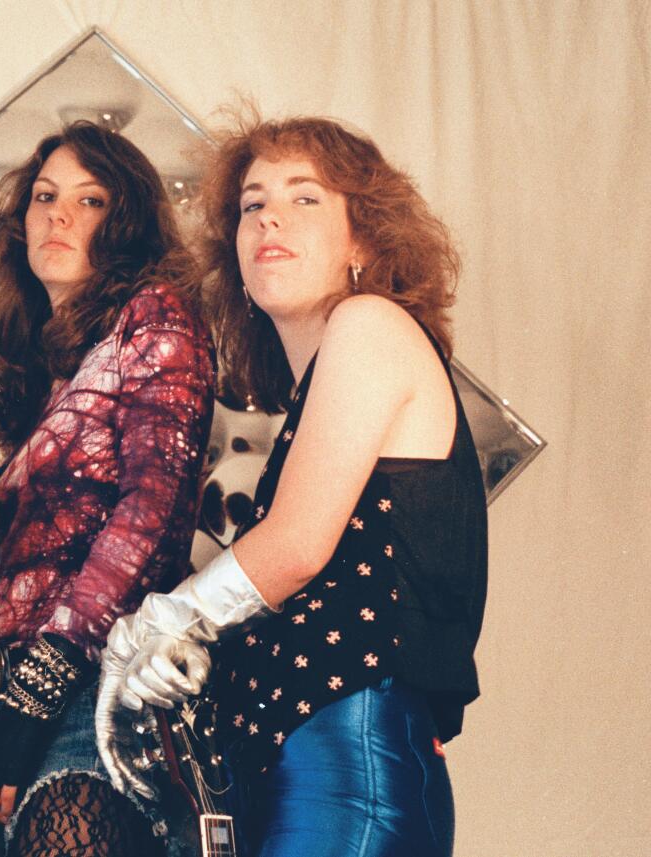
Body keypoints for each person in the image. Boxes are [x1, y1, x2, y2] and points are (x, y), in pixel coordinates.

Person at [96, 113, 488, 857]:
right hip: (305, 772)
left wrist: (155, 626)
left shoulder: (371, 324)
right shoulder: (316, 394)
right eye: (251, 203)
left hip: (348, 768)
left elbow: (298, 546)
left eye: (305, 197)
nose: (270, 214)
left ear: (364, 240)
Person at [0, 121, 216, 856]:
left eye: (90, 200)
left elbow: (150, 519)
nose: (58, 214)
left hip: (84, 691)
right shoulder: (41, 373)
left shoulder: (155, 317)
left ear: (125, 225)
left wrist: (41, 683)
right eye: (44, 196)